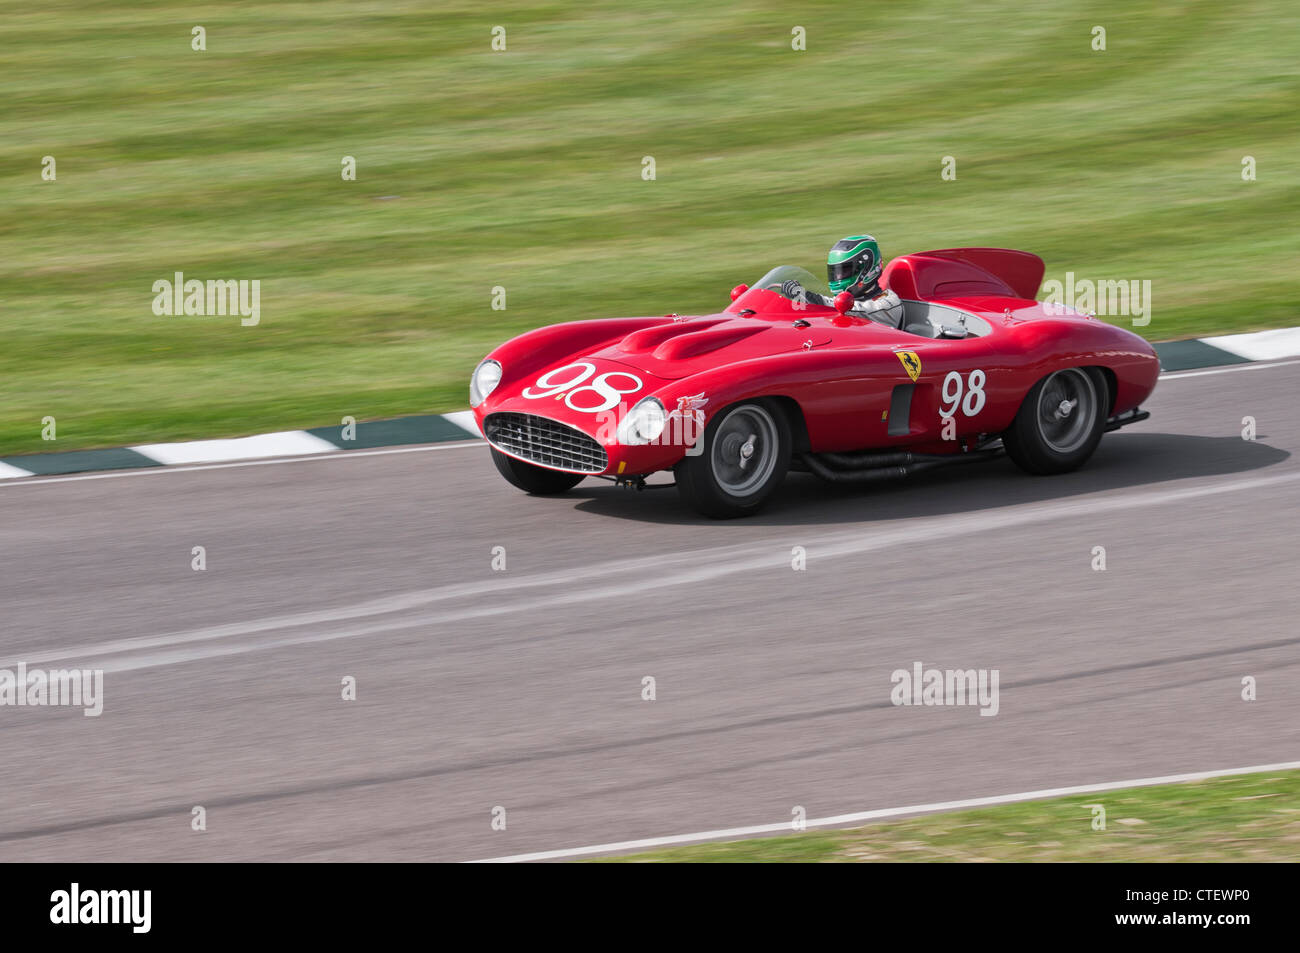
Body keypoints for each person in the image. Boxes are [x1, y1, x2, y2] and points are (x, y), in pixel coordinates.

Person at [781, 235, 904, 327]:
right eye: (834, 272)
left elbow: (857, 310)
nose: (838, 277)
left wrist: (808, 297)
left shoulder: (889, 303)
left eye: (844, 271)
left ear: (866, 268)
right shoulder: (846, 301)